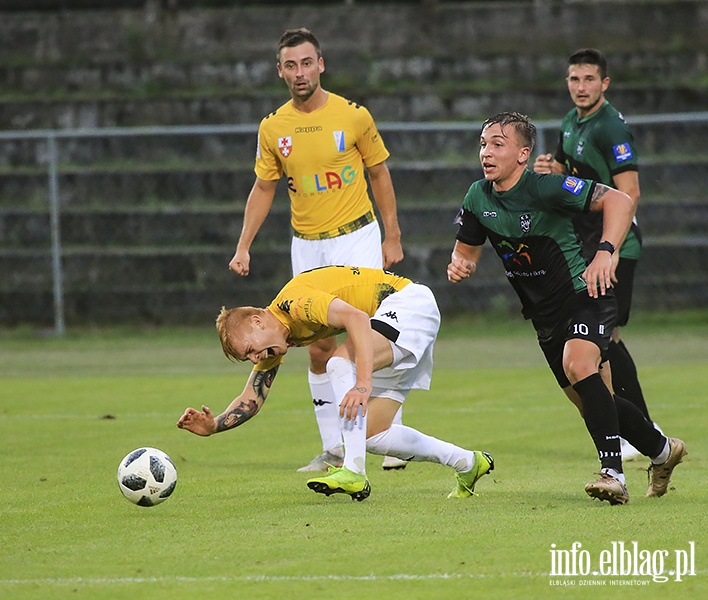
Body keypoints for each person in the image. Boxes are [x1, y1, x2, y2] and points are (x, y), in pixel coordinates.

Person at [448, 111, 685, 505]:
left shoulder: (548, 188)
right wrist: (462, 263)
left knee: (579, 367)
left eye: (497, 144)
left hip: (586, 292)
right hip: (544, 315)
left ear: (523, 154)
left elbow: (621, 200)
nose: (486, 153)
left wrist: (606, 252)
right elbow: (466, 250)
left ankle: (613, 476)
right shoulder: (477, 196)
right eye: (483, 144)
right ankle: (662, 450)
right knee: (593, 402)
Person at [228, 27, 407, 472]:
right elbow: (263, 187)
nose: (300, 72)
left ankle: (389, 440)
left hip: (357, 235)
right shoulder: (273, 127)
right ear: (280, 71)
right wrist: (243, 245)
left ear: (321, 64)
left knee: (373, 333)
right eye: (290, 65)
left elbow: (380, 174)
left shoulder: (353, 116)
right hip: (306, 246)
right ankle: (333, 447)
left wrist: (392, 235)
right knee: (317, 348)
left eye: (307, 62)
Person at [177, 265, 494, 501]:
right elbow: (253, 395)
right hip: (390, 326)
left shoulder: (295, 303)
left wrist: (362, 384)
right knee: (373, 434)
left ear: (258, 321)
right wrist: (214, 425)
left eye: (250, 350)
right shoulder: (276, 338)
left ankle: (354, 472)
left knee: (338, 363)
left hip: (408, 304)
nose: (254, 358)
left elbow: (356, 318)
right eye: (248, 357)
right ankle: (467, 462)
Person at [532, 48, 657, 461]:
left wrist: (612, 248)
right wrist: (553, 171)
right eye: (574, 79)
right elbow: (573, 179)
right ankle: (630, 427)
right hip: (584, 242)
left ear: (605, 83)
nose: (580, 87)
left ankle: (641, 426)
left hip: (612, 245)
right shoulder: (571, 121)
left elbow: (629, 192)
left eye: (589, 80)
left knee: (607, 336)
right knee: (599, 339)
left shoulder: (609, 128)